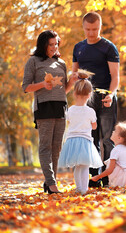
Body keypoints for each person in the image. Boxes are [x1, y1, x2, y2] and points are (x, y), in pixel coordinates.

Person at [22, 30, 77, 194]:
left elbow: (64, 90)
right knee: (45, 147)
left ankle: (49, 182)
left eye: (56, 44)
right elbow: (25, 87)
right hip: (44, 107)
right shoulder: (33, 61)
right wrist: (42, 85)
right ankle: (52, 184)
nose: (54, 47)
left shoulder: (61, 63)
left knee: (57, 147)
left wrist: (72, 82)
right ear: (43, 45)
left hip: (60, 107)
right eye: (51, 45)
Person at [72, 11, 120, 187]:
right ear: (83, 27)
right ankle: (93, 178)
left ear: (100, 27)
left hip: (106, 98)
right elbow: (74, 75)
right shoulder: (78, 48)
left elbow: (115, 76)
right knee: (89, 139)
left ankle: (108, 178)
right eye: (88, 29)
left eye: (95, 29)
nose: (92, 33)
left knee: (108, 139)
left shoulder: (108, 47)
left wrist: (111, 94)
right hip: (87, 100)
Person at [58, 74, 104, 195]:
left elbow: (69, 122)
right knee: (85, 166)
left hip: (72, 141)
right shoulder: (90, 111)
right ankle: (84, 189)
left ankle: (79, 188)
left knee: (77, 167)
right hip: (85, 141)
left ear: (74, 93)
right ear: (89, 95)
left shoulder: (71, 109)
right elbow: (94, 126)